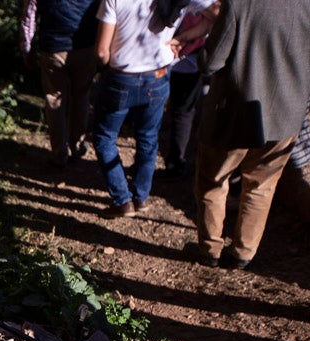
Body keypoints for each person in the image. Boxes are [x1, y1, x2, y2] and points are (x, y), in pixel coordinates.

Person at [187, 0, 310, 270]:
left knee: (213, 181)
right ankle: (244, 253)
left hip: (231, 114)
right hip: (286, 116)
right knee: (261, 186)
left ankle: (210, 249)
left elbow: (211, 62)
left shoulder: (239, 3)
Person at [92, 0, 217, 218]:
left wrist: (110, 66)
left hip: (121, 77)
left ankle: (122, 200)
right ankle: (140, 197)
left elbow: (102, 51)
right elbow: (217, 13)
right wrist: (182, 38)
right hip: (158, 76)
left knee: (104, 137)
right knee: (148, 137)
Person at [19, 0, 100, 169]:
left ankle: (59, 153)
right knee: (81, 97)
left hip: (53, 48)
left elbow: (29, 16)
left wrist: (27, 49)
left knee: (54, 100)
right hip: (85, 47)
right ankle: (77, 146)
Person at [159, 3, 220, 181]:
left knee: (175, 110)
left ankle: (170, 163)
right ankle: (174, 162)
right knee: (181, 111)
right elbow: (214, 17)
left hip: (172, 55)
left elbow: (214, 16)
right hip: (185, 55)